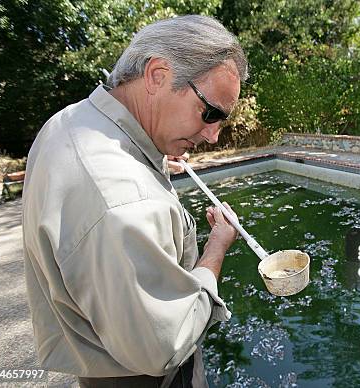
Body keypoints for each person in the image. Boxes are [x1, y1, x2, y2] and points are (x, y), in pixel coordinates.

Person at [22, 15, 248, 387]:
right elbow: (165, 346)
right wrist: (216, 248)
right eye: (210, 113)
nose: (212, 136)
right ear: (158, 75)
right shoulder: (123, 201)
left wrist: (154, 162)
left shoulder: (69, 122)